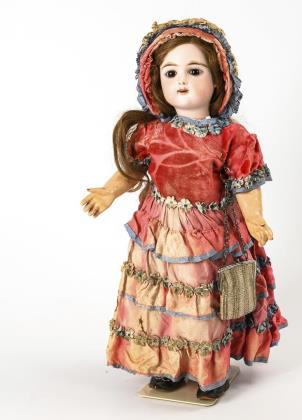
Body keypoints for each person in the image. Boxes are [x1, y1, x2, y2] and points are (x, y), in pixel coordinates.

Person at [80, 18, 288, 401]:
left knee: (202, 301)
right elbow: (131, 171)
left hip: (207, 232)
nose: (181, 81)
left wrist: (255, 218)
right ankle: (167, 366)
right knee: (159, 300)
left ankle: (210, 371)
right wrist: (109, 192)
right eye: (170, 72)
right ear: (155, 81)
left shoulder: (232, 137)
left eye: (194, 71)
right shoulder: (151, 133)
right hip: (159, 231)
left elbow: (246, 183)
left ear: (218, 80)